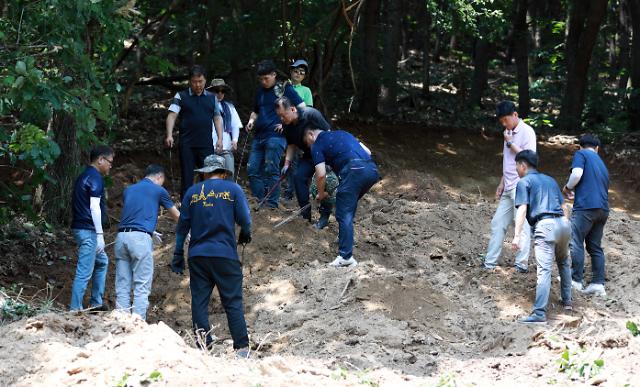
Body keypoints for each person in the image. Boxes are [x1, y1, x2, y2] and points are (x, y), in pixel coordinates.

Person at [170, 155, 252, 357]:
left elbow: (182, 228)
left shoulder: (192, 192)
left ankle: (203, 346)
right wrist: (244, 235)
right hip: (225, 254)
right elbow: (245, 220)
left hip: (198, 256)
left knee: (199, 301)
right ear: (224, 173)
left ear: (205, 172)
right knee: (232, 301)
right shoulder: (233, 189)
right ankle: (241, 348)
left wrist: (178, 254)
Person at [511, 150, 572, 324]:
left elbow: (522, 209)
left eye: (517, 165)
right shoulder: (550, 180)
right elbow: (564, 206)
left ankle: (539, 314)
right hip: (563, 223)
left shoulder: (524, 182)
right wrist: (563, 225)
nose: (516, 169)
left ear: (523, 165)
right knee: (563, 262)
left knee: (544, 270)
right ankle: (567, 301)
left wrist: (516, 236)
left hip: (545, 225)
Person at [304, 128, 380, 267]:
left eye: (307, 143)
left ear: (311, 134)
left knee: (343, 212)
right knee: (348, 206)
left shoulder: (317, 144)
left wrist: (321, 194)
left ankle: (345, 257)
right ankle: (344, 236)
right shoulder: (344, 133)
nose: (308, 146)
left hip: (354, 170)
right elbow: (368, 151)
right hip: (372, 171)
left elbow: (320, 175)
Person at [114, 165, 180, 320]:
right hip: (140, 240)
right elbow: (176, 216)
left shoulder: (129, 190)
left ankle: (121, 322)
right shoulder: (159, 190)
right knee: (141, 285)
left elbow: (135, 212)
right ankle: (138, 325)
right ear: (159, 177)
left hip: (121, 238)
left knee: (122, 285)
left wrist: (151, 230)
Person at [483, 101, 536, 273]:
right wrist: (502, 181)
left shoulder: (527, 132)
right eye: (502, 122)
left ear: (515, 114)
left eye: (506, 120)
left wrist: (510, 143)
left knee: (523, 225)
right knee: (497, 223)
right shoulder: (508, 133)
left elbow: (530, 159)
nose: (504, 124)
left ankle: (521, 264)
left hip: (522, 185)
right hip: (508, 185)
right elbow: (508, 161)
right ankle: (489, 263)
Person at [245, 60, 305, 208]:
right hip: (258, 136)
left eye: (266, 78)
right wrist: (251, 120)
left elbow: (302, 108)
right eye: (261, 79)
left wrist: (286, 123)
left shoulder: (285, 89)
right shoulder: (260, 91)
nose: (264, 82)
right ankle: (261, 201)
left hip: (276, 136)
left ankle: (272, 204)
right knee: (252, 169)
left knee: (271, 169)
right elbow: (256, 111)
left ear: (274, 75)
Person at [165, 65, 224, 199]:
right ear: (189, 81)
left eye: (200, 81)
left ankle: (206, 204)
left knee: (208, 176)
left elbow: (217, 117)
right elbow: (172, 115)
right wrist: (169, 135)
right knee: (187, 177)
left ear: (205, 81)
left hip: (206, 144)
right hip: (187, 144)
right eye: (194, 82)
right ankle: (186, 207)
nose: (198, 85)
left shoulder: (212, 98)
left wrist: (220, 138)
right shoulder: (181, 96)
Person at [562, 134, 609, 297]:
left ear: (580, 147)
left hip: (586, 208)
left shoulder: (581, 154)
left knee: (575, 241)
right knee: (595, 246)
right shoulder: (602, 164)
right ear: (597, 148)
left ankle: (576, 281)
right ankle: (598, 283)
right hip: (603, 209)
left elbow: (576, 174)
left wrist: (568, 187)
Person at [275, 96, 333, 228]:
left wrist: (330, 159)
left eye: (283, 115)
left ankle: (324, 217)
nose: (282, 120)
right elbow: (291, 145)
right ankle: (305, 215)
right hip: (308, 156)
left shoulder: (311, 114)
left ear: (293, 109)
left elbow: (329, 134)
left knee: (326, 181)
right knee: (298, 177)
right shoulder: (287, 125)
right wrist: (286, 163)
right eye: (279, 117)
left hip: (324, 154)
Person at [69, 145, 114, 311]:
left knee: (102, 262)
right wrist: (100, 235)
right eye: (110, 161)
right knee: (84, 271)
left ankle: (96, 302)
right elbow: (95, 208)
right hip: (88, 231)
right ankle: (74, 310)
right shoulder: (95, 178)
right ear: (100, 159)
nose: (111, 165)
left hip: (83, 229)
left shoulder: (85, 176)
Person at [208, 78, 242, 180]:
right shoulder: (205, 105)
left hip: (226, 147)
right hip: (209, 147)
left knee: (229, 176)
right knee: (212, 177)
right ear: (211, 92)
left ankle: (229, 196)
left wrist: (235, 140)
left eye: (222, 91)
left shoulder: (229, 107)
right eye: (216, 91)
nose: (220, 93)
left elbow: (235, 125)